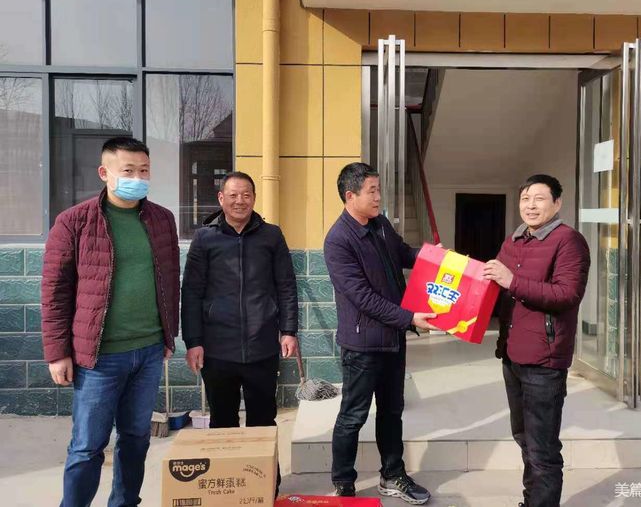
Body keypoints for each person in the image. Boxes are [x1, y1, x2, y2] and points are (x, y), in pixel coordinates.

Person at [42, 137, 180, 507]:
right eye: (128, 171)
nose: (138, 178)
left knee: (136, 439)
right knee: (88, 445)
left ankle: (124, 502)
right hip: (99, 357)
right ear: (105, 173)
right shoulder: (74, 222)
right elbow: (54, 291)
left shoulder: (162, 220)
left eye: (144, 170)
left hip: (148, 352)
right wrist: (57, 352)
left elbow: (169, 281)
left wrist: (169, 334)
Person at [324, 162, 439, 505]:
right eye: (372, 191)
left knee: (391, 411)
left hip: (392, 340)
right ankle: (344, 483)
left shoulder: (381, 225)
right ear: (350, 196)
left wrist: (433, 257)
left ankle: (392, 474)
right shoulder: (338, 240)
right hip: (363, 346)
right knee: (353, 416)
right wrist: (409, 317)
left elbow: (404, 254)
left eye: (378, 190)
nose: (378, 197)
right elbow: (363, 298)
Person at [181, 171, 298, 491]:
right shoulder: (205, 238)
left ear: (254, 198)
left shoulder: (271, 236)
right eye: (233, 195)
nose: (239, 201)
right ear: (221, 199)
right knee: (223, 424)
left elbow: (286, 286)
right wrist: (193, 341)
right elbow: (191, 292)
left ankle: (265, 489)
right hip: (218, 349)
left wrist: (288, 330)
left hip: (262, 346)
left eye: (246, 195)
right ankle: (228, 490)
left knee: (263, 422)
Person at [483, 174, 590, 507]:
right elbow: (494, 286)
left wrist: (511, 280)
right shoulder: (514, 240)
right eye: (525, 198)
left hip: (544, 359)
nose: (530, 205)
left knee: (542, 447)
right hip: (512, 354)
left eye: (539, 198)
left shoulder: (569, 241)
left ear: (557, 203)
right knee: (524, 438)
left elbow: (566, 294)